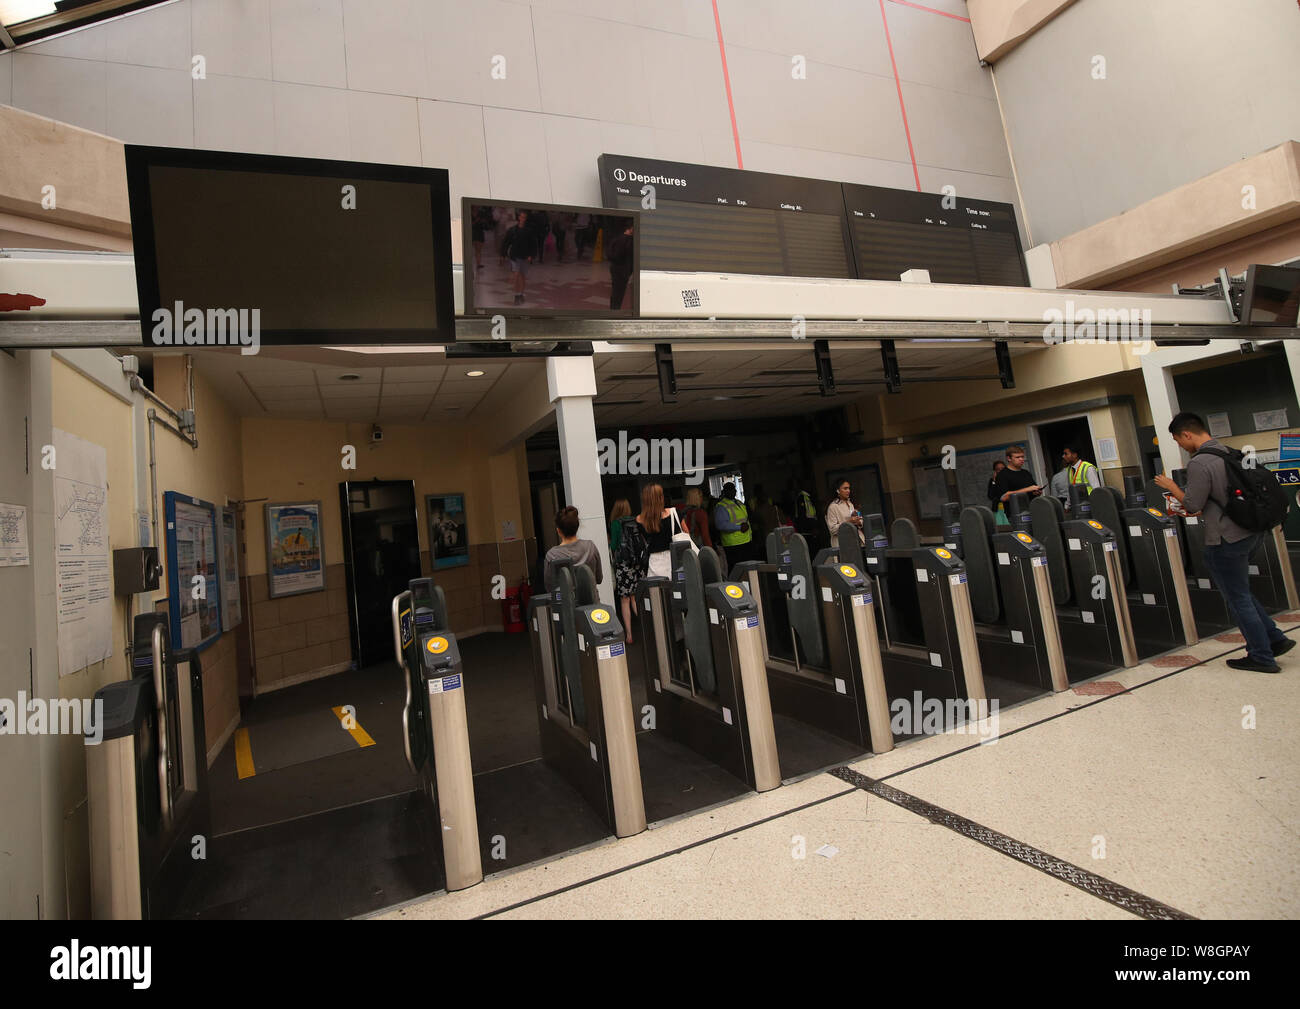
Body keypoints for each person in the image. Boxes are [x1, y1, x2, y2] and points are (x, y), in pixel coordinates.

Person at [1154, 412, 1293, 673]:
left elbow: (1193, 504)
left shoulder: (1200, 462)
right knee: (1242, 592)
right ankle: (1274, 639)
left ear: (1187, 434)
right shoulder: (1232, 453)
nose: (1180, 446)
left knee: (1237, 598)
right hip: (1251, 532)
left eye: (1177, 440)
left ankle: (1261, 656)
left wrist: (1171, 486)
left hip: (1225, 538)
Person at [543, 506, 603, 594]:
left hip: (566, 605)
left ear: (558, 530)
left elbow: (550, 588)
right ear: (577, 527)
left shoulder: (552, 555)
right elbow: (599, 579)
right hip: (592, 603)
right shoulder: (590, 547)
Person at [994, 445, 1043, 520]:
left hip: (1032, 511)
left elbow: (1031, 491)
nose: (1021, 459)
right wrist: (1027, 489)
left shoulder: (1026, 473)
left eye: (1022, 457)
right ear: (1009, 458)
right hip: (1016, 514)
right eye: (1017, 457)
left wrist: (1035, 493)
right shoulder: (1002, 475)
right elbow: (1004, 497)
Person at [500, 210, 538, 305]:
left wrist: (531, 256)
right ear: (518, 217)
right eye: (521, 217)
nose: (522, 219)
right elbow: (506, 243)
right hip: (514, 256)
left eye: (524, 217)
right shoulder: (512, 230)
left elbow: (534, 244)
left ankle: (521, 294)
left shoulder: (530, 231)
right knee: (516, 275)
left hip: (525, 257)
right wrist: (503, 254)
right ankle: (517, 296)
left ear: (526, 218)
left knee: (522, 277)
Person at [637, 483, 674, 579]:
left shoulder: (639, 520)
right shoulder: (673, 513)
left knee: (656, 592)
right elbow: (686, 536)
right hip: (675, 559)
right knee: (679, 591)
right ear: (660, 497)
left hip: (654, 562)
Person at [714, 482, 756, 563]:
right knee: (738, 569)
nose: (732, 491)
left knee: (748, 567)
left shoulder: (739, 502)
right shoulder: (721, 506)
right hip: (733, 545)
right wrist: (739, 527)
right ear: (724, 491)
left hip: (746, 541)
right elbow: (721, 525)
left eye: (733, 489)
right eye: (729, 490)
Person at [606, 219, 635, 311]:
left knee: (615, 291)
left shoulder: (618, 238)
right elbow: (620, 255)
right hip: (622, 270)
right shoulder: (628, 240)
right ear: (630, 229)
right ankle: (615, 310)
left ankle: (613, 309)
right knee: (619, 293)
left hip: (615, 268)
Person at [826, 478, 865, 545]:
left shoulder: (851, 503)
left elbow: (860, 519)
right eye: (845, 488)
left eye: (849, 488)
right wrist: (848, 522)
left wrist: (858, 522)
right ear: (838, 490)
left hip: (858, 541)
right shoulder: (833, 507)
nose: (848, 491)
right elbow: (832, 530)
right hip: (844, 544)